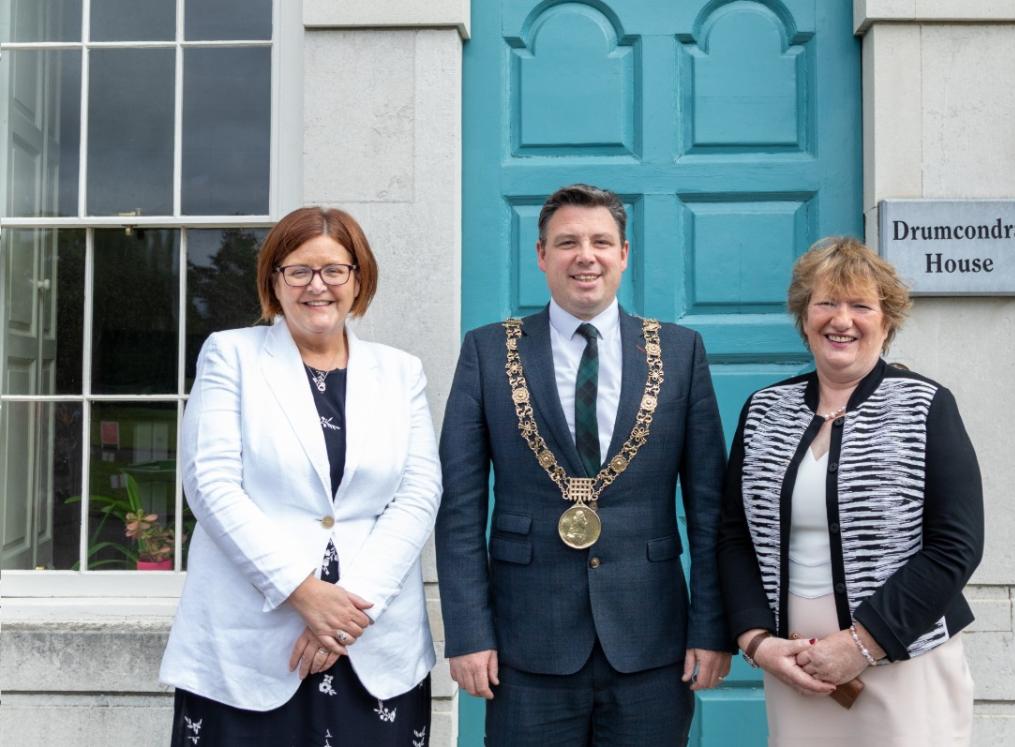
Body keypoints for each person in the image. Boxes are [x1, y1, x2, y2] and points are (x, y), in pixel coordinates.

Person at [436, 183, 731, 746]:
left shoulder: (679, 350)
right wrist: (469, 632)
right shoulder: (488, 351)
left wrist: (711, 629)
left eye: (601, 241)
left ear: (624, 254)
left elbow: (709, 509)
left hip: (652, 645)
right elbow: (460, 509)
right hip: (525, 648)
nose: (585, 255)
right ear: (542, 255)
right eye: (567, 242)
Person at [160, 207, 442, 745]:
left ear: (359, 280)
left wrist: (346, 609)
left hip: (371, 642)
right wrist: (302, 591)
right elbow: (211, 484)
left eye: (335, 270)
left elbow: (419, 491)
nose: (318, 286)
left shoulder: (401, 371)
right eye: (299, 271)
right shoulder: (231, 356)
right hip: (253, 646)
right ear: (275, 280)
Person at [717, 236, 984, 746]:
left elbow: (957, 545)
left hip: (905, 659)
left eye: (861, 305)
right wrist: (757, 641)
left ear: (887, 321)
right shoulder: (764, 410)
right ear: (805, 316)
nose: (842, 320)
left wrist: (862, 644)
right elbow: (734, 537)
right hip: (795, 663)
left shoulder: (926, 405)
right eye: (827, 303)